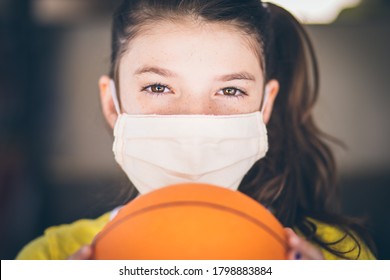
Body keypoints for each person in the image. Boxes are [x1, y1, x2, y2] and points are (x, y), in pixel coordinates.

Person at [16, 0, 376, 260]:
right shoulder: (48, 259)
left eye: (230, 90)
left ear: (265, 105)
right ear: (113, 104)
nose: (195, 119)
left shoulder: (338, 255)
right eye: (157, 88)